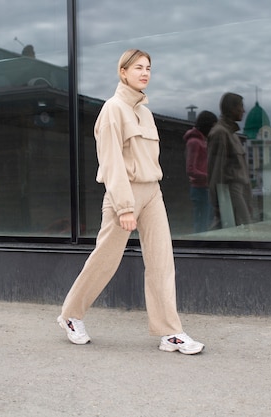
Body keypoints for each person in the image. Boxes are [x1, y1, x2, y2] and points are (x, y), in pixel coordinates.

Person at [57, 49, 204, 355]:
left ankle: (170, 333)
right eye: (138, 67)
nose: (145, 72)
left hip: (152, 192)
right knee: (105, 260)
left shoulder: (145, 113)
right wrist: (124, 206)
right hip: (123, 193)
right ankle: (71, 315)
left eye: (148, 67)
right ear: (122, 72)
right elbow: (111, 162)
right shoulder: (113, 110)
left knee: (162, 262)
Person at [207, 92, 253, 227]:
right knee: (242, 232)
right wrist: (218, 203)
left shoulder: (232, 134)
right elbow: (216, 171)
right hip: (231, 194)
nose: (243, 111)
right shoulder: (220, 133)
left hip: (240, 193)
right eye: (241, 106)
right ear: (232, 108)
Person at [183, 110, 218, 233]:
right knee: (201, 221)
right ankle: (199, 245)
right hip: (199, 189)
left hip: (205, 188)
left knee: (206, 220)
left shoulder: (202, 141)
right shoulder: (194, 142)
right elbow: (190, 169)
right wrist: (209, 177)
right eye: (213, 127)